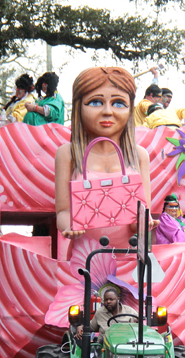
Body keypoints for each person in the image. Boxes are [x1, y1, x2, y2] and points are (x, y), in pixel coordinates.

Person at [54, 67, 155, 247]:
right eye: (95, 102)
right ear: (78, 106)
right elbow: (63, 211)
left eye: (118, 103)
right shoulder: (68, 154)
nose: (107, 111)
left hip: (129, 260)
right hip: (85, 260)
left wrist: (142, 222)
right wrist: (70, 226)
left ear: (130, 108)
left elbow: (141, 212)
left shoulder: (139, 155)